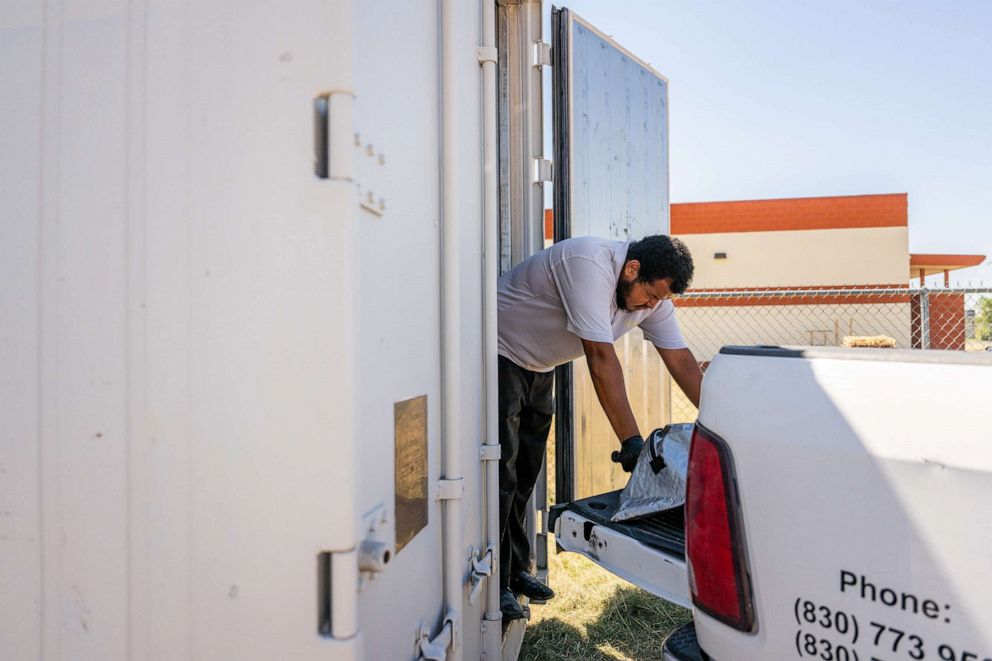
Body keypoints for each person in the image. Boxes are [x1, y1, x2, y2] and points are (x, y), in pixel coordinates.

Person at [496, 233, 703, 620]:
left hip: (539, 366)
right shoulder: (589, 263)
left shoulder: (651, 299)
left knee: (525, 475)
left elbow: (682, 362)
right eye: (651, 295)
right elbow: (600, 358)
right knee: (502, 476)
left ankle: (515, 569)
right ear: (632, 268)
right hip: (499, 353)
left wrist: (721, 420)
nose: (652, 305)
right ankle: (497, 586)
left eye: (661, 300)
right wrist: (632, 442)